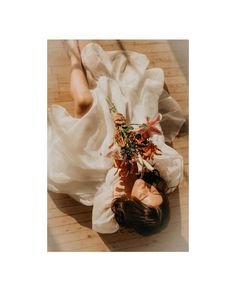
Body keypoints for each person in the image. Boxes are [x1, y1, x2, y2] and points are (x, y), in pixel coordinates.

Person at [48, 40, 185, 235]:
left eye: (144, 195)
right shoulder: (165, 174)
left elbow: (100, 223)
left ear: (133, 206)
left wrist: (119, 174)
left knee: (84, 101)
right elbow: (153, 144)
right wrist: (132, 133)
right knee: (106, 84)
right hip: (129, 131)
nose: (147, 187)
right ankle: (83, 50)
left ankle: (74, 59)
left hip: (99, 158)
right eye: (154, 191)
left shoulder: (111, 208)